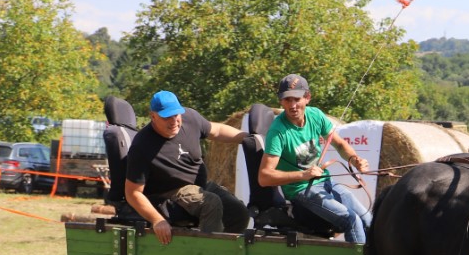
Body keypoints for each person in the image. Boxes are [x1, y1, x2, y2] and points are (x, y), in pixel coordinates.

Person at [257, 74, 372, 243]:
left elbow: (340, 145)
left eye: (297, 99)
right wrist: (303, 175)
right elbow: (264, 177)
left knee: (368, 220)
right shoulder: (278, 132)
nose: (293, 105)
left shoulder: (316, 115)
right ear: (281, 101)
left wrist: (355, 160)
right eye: (287, 100)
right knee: (351, 220)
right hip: (301, 190)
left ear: (307, 97)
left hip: (325, 182)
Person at [125, 90, 250, 245]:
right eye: (166, 117)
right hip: (169, 193)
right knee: (210, 202)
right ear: (153, 116)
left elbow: (217, 131)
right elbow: (133, 193)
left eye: (176, 115)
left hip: (199, 186)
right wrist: (157, 220)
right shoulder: (142, 146)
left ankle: (227, 252)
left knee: (239, 212)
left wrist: (247, 139)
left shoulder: (190, 118)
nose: (174, 121)